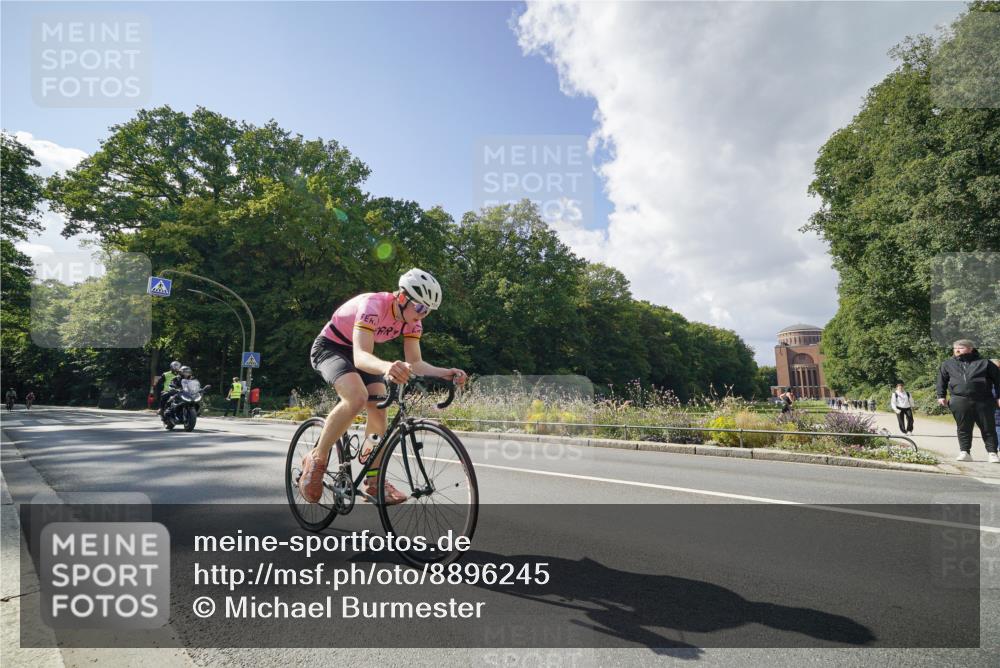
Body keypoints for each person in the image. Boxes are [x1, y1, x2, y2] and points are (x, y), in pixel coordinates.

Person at [299, 268, 467, 505]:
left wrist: (444, 373)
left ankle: (374, 481)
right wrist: (388, 367)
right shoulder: (373, 305)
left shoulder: (413, 323)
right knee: (357, 397)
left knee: (379, 409)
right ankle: (316, 458)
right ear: (402, 297)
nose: (423, 314)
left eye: (428, 310)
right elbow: (360, 357)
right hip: (331, 348)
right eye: (419, 307)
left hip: (362, 352)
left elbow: (416, 362)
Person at [936, 339, 1000, 463]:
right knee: (963, 427)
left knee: (988, 427)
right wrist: (941, 395)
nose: (957, 350)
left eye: (961, 348)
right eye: (955, 348)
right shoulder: (948, 364)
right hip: (959, 399)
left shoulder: (984, 363)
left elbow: (998, 381)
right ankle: (965, 452)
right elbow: (941, 380)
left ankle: (992, 453)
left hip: (983, 400)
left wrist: (998, 397)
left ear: (971, 348)